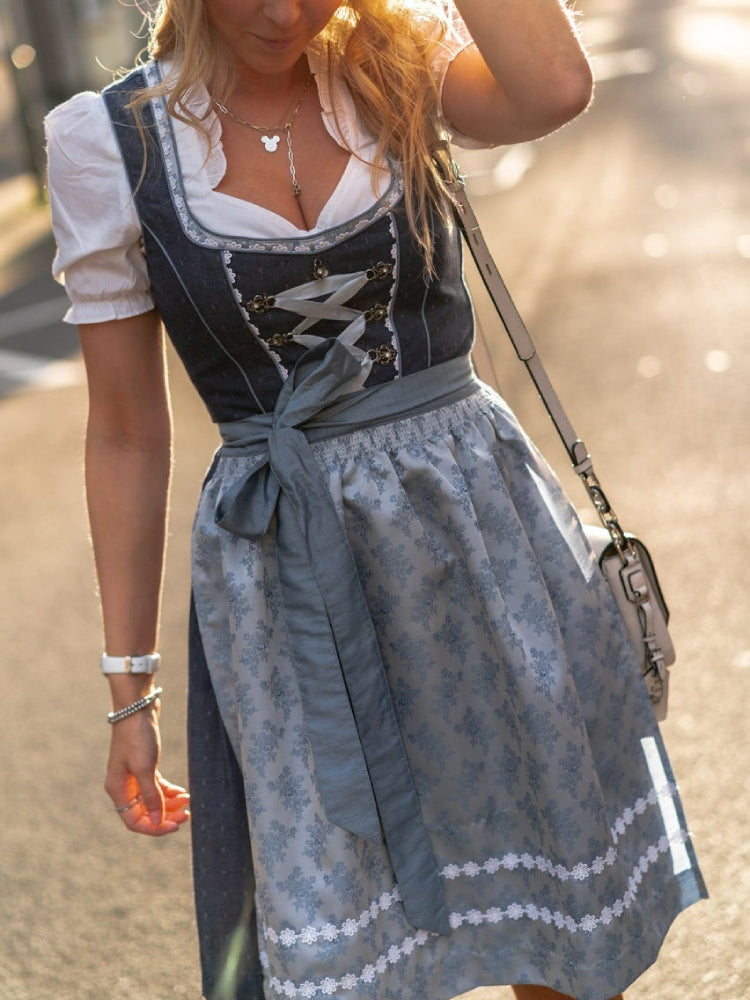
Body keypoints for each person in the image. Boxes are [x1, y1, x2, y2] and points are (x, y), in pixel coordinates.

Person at [44, 1, 706, 998]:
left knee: (551, 915)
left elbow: (555, 88)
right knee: (347, 945)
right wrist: (128, 688)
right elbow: (129, 433)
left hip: (474, 526)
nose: (282, 12)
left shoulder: (395, 60)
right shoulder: (110, 144)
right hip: (284, 575)